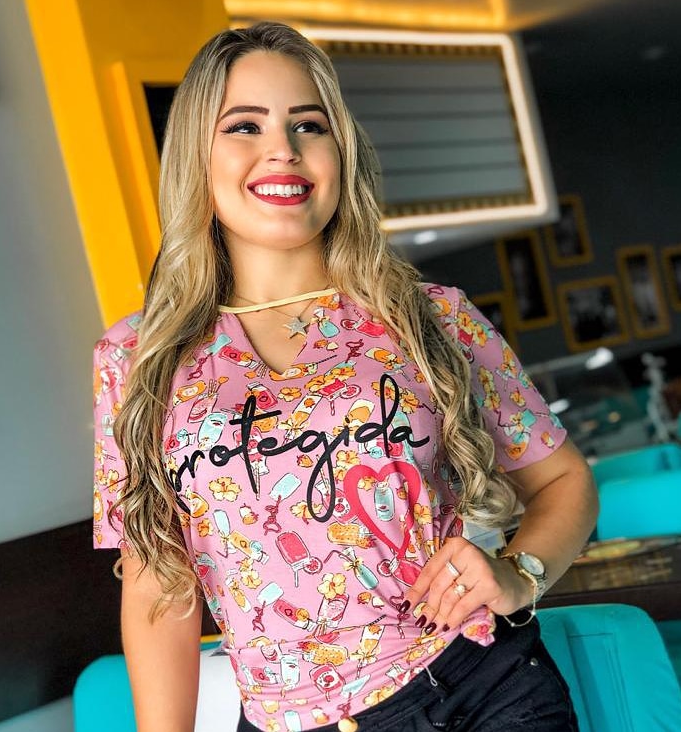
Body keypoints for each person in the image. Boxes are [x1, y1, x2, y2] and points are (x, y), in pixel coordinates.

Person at [92, 21, 598, 732]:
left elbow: (565, 480)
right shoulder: (137, 360)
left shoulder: (430, 317)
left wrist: (521, 574)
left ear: (340, 153)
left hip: (485, 689)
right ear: (194, 157)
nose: (283, 149)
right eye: (244, 125)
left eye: (309, 125)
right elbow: (156, 584)